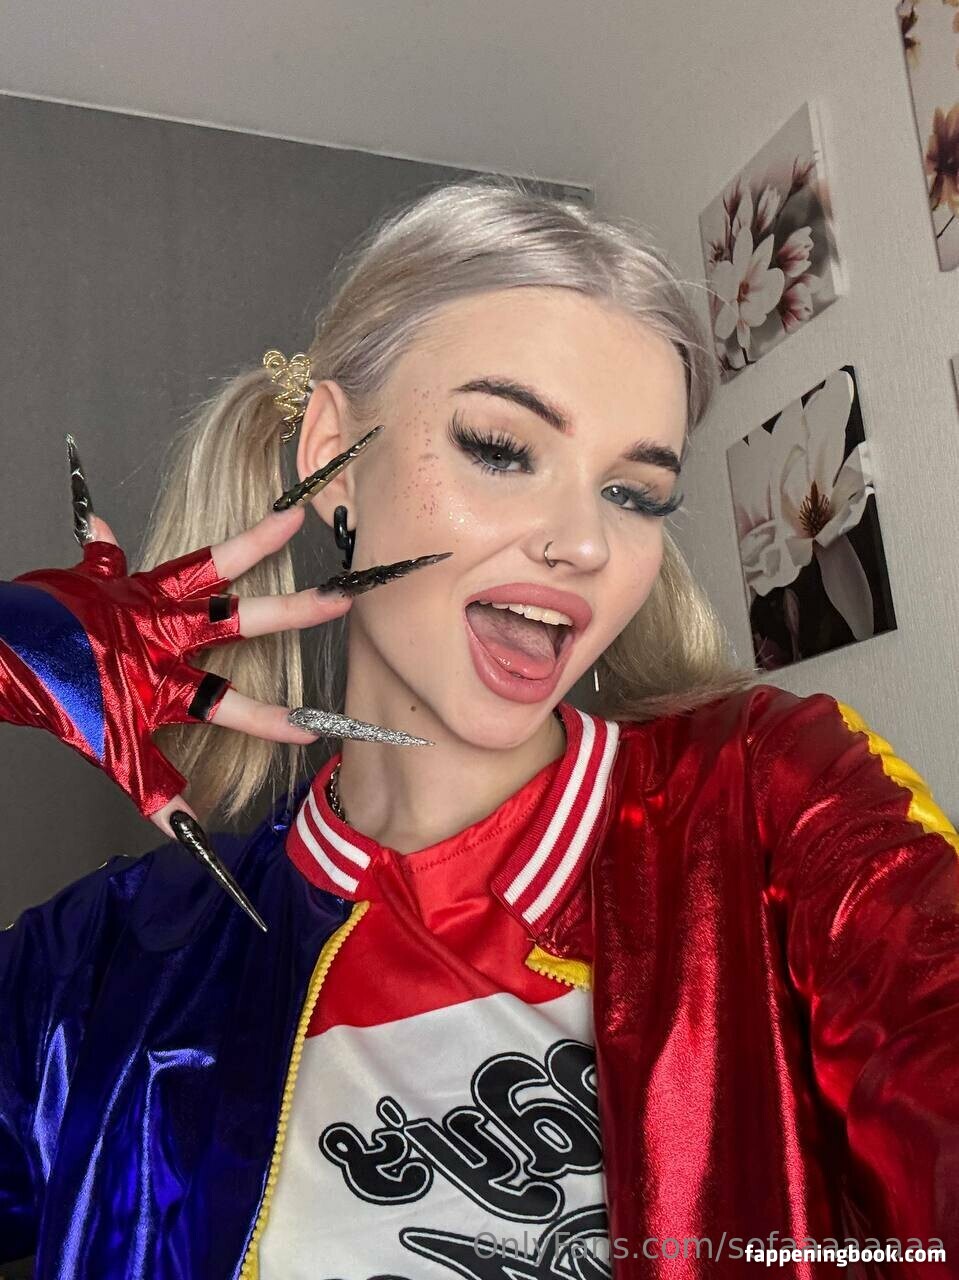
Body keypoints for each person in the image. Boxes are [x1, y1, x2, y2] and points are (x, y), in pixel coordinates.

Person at [0, 174, 955, 1279]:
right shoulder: (107, 964)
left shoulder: (770, 800)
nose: (583, 543)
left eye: (634, 494)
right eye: (501, 448)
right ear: (331, 459)